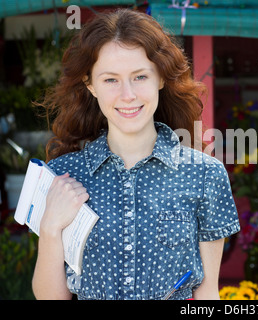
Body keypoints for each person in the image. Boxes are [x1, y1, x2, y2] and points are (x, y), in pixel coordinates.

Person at [31, 8, 240, 300]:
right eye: (110, 80)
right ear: (90, 85)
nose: (127, 94)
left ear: (161, 78)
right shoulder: (63, 177)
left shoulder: (205, 175)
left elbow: (207, 295)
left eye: (140, 76)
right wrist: (51, 226)